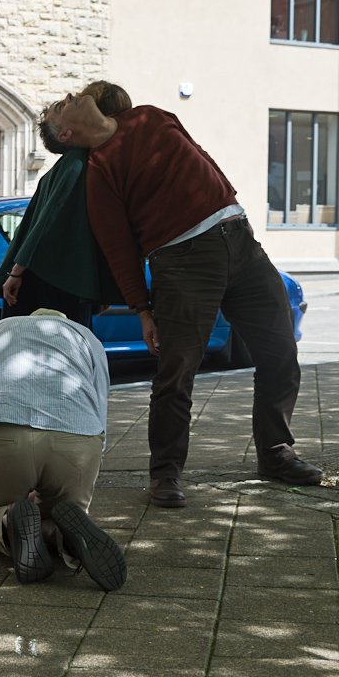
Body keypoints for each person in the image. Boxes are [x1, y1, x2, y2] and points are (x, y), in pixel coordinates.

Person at [40, 94, 321, 507]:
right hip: (183, 264)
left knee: (281, 353)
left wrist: (227, 197)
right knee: (176, 374)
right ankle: (165, 474)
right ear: (66, 134)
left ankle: (276, 453)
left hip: (241, 243)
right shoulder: (100, 173)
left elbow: (198, 154)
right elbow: (118, 249)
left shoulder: (150, 116)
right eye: (58, 108)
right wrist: (142, 310)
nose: (67, 97)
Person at [0, 310, 127, 592]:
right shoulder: (88, 338)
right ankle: (64, 536)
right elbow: (99, 411)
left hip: (3, 437)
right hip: (77, 444)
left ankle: (8, 520)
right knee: (60, 511)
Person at [0, 81, 130, 327]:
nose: (70, 99)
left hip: (53, 277)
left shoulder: (77, 162)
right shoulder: (79, 162)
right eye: (62, 107)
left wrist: (16, 270)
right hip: (56, 278)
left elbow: (46, 222)